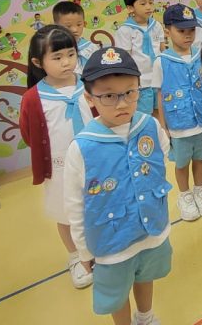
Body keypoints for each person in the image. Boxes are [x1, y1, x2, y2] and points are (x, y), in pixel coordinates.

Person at [64, 47, 172, 325]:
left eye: (130, 92)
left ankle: (145, 317)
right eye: (109, 96)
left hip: (151, 231)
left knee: (146, 276)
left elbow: (160, 159)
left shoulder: (150, 126)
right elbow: (75, 206)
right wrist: (83, 250)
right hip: (111, 244)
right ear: (90, 97)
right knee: (117, 294)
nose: (122, 103)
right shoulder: (81, 147)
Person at [18, 25, 94, 289]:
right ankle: (75, 256)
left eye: (71, 54)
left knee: (96, 203)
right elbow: (29, 134)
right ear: (38, 63)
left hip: (94, 161)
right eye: (57, 57)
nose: (66, 62)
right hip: (60, 167)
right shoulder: (33, 98)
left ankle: (97, 248)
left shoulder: (89, 84)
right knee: (66, 214)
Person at [153, 4, 202, 222]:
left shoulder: (201, 56)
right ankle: (185, 196)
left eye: (191, 30)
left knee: (200, 158)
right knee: (181, 163)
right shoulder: (161, 61)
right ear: (167, 31)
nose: (187, 35)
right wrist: (163, 127)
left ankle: (200, 191)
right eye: (181, 31)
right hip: (178, 123)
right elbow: (160, 96)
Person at [114, 0, 165, 116]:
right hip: (141, 82)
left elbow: (162, 49)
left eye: (151, 2)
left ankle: (159, 129)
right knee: (143, 114)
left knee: (160, 110)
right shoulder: (125, 30)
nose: (148, 7)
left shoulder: (157, 25)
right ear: (130, 8)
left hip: (158, 78)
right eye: (143, 4)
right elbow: (125, 58)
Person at [52, 0, 98, 75]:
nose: (75, 30)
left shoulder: (91, 47)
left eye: (79, 24)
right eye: (68, 26)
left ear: (84, 23)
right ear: (56, 26)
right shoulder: (52, 50)